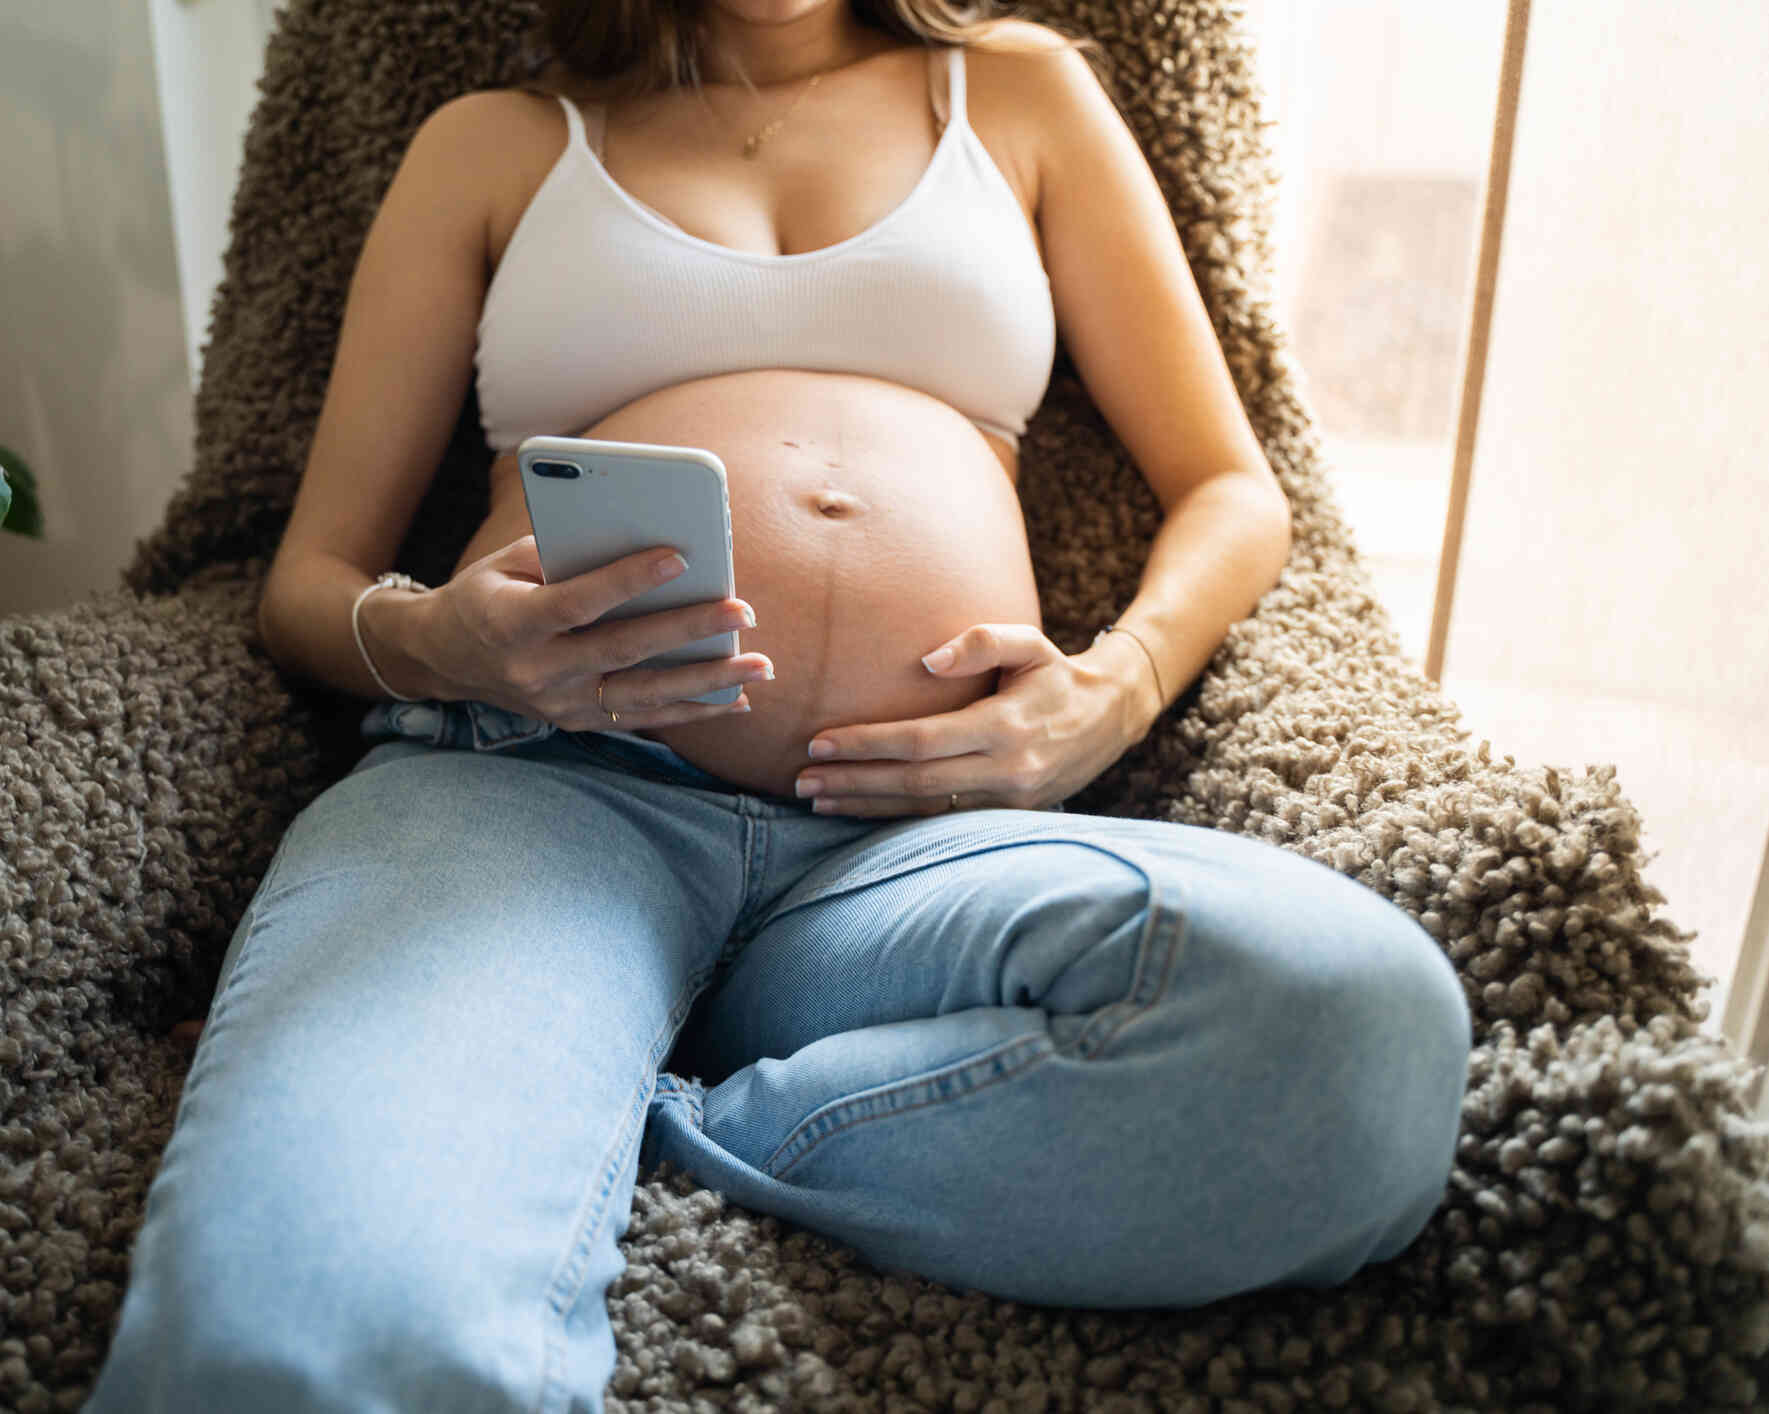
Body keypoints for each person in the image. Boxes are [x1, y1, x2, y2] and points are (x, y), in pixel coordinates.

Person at [85, 1, 1474, 1409]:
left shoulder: (1018, 96)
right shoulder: (494, 145)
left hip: (911, 849)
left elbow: (1232, 489)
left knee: (1361, 1043)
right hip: (536, 794)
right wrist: (447, 641)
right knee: (305, 1327)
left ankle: (611, 1106)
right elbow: (302, 585)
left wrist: (1105, 697)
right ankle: (512, 1062)